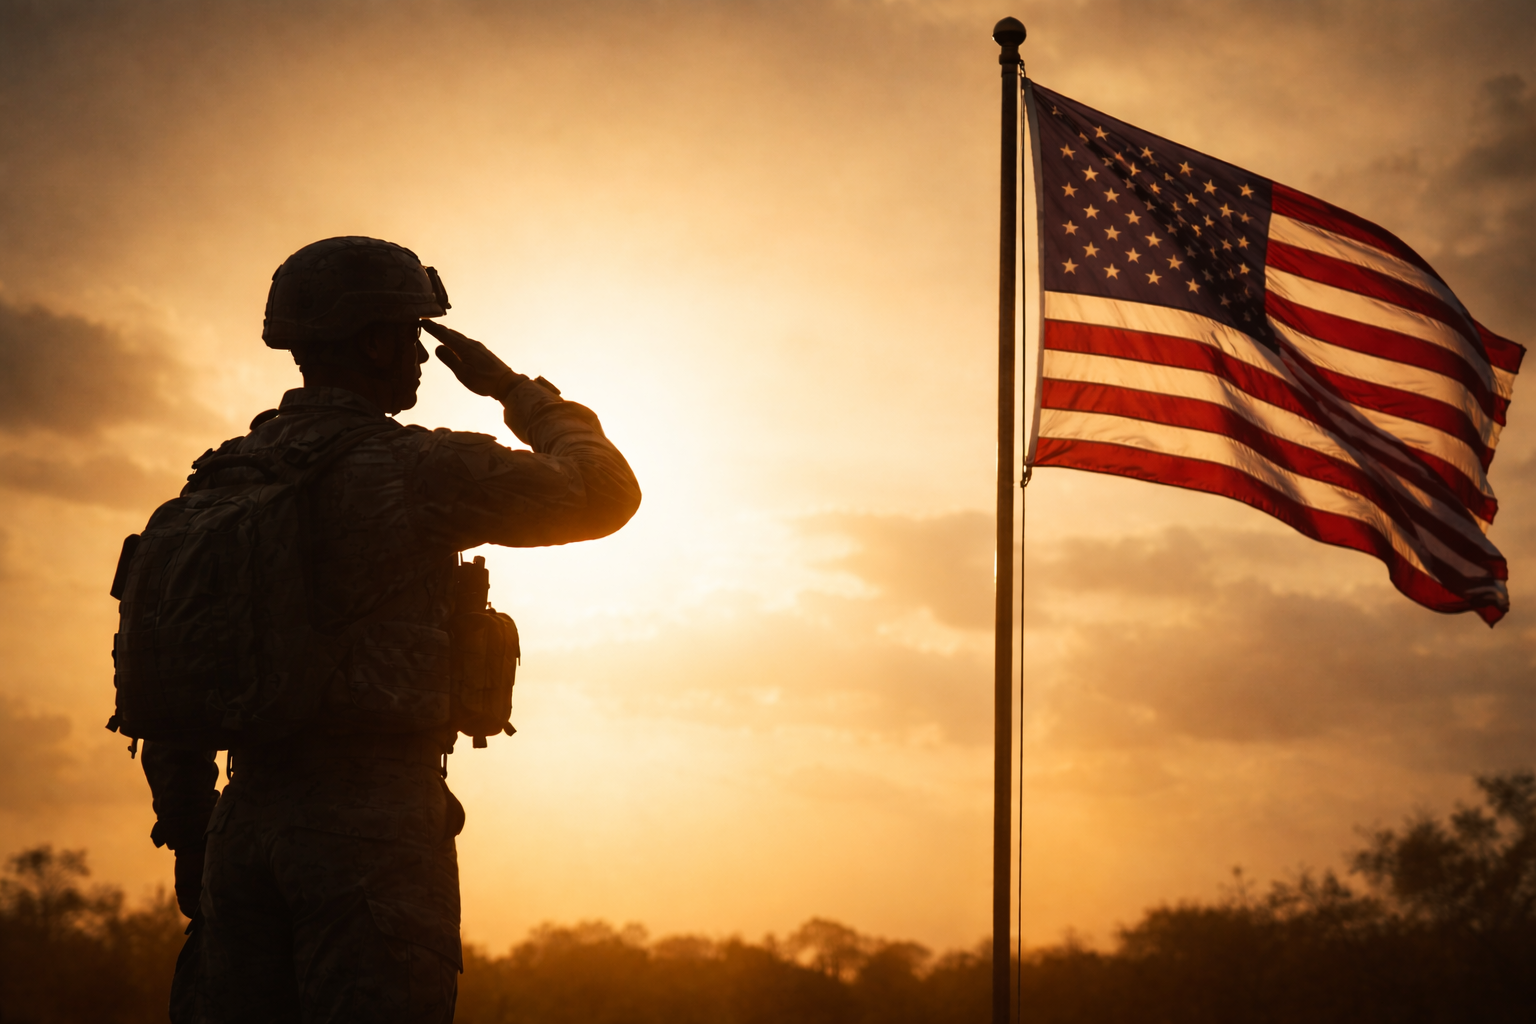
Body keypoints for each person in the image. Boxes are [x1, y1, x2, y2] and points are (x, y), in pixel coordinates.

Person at [140, 236, 641, 1023]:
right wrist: (518, 392)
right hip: (369, 834)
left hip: (242, 830)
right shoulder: (413, 469)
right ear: (374, 340)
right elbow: (605, 493)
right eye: (410, 333)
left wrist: (196, 838)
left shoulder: (224, 476)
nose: (418, 355)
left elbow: (174, 670)